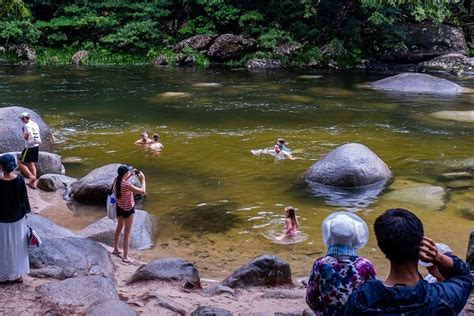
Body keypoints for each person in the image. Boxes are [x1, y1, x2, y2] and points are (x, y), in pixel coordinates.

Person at [344, 208, 472, 315]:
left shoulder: (361, 300)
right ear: (421, 244)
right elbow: (464, 277)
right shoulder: (443, 299)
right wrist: (438, 257)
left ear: (382, 247)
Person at [306, 212, 376, 315]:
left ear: (329, 236)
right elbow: (374, 295)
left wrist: (321, 311)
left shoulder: (320, 264)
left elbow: (311, 298)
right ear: (355, 237)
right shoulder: (365, 265)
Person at [0, 154, 31, 284]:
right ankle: (18, 275)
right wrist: (26, 212)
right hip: (17, 218)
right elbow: (24, 200)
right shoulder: (19, 180)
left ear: (1, 167)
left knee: (2, 247)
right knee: (17, 246)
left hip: (1, 218)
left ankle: (2, 274)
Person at [112, 165, 146, 263]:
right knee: (127, 232)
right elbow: (143, 192)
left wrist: (130, 174)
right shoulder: (127, 186)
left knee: (119, 228)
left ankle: (116, 249)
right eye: (128, 172)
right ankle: (125, 257)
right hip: (128, 210)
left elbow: (123, 180)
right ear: (125, 174)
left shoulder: (116, 181)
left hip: (119, 208)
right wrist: (143, 180)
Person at [18, 112, 41, 188]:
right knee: (31, 163)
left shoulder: (26, 126)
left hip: (29, 147)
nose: (21, 121)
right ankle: (33, 182)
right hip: (36, 145)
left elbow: (26, 138)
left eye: (22, 119)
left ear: (24, 118)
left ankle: (32, 177)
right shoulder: (35, 124)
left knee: (20, 162)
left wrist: (23, 131)